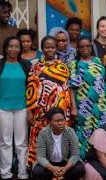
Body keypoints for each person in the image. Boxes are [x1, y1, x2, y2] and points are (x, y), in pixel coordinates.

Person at [0, 36, 32, 180]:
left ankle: (23, 174)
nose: (14, 49)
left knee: (21, 142)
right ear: (6, 48)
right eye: (11, 46)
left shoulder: (26, 65)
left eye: (17, 46)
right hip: (3, 108)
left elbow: (31, 89)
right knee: (5, 142)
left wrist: (30, 109)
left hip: (22, 107)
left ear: (20, 49)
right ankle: (6, 174)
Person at [26, 36, 72, 170]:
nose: (50, 49)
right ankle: (41, 172)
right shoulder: (36, 67)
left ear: (56, 48)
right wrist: (29, 110)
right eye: (47, 47)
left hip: (59, 111)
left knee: (58, 141)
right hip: (40, 112)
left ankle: (59, 171)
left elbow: (66, 90)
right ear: (42, 49)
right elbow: (31, 89)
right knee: (41, 140)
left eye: (52, 47)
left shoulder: (63, 67)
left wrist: (67, 112)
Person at [32, 107, 85, 180]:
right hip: (50, 164)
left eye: (62, 120)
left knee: (80, 169)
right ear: (49, 122)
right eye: (57, 121)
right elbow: (40, 156)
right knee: (37, 171)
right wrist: (52, 168)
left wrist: (66, 168)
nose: (60, 123)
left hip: (65, 163)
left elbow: (75, 154)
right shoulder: (43, 133)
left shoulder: (70, 132)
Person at [69, 37, 106, 159]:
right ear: (78, 49)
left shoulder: (98, 61)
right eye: (82, 47)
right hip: (83, 106)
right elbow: (71, 88)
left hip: (100, 104)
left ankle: (98, 160)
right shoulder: (74, 64)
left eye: (88, 46)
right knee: (82, 133)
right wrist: (74, 107)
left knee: (99, 131)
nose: (85, 49)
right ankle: (82, 162)